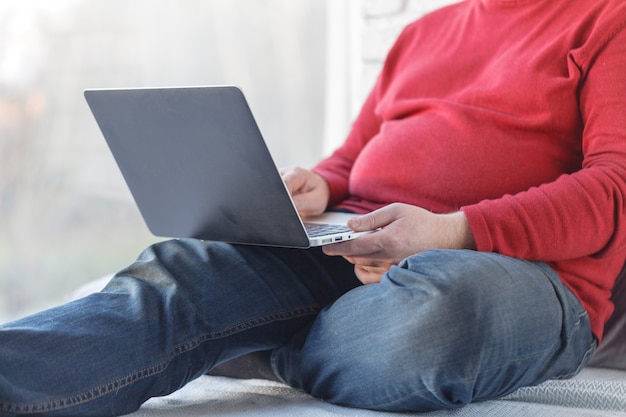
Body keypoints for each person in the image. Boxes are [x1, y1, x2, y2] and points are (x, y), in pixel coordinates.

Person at [2, 0, 626, 415]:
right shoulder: (423, 33)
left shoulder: (607, 19)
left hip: (504, 271)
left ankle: (257, 340)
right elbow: (355, 156)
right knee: (183, 268)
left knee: (437, 317)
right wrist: (321, 187)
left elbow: (615, 187)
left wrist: (453, 232)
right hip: (351, 237)